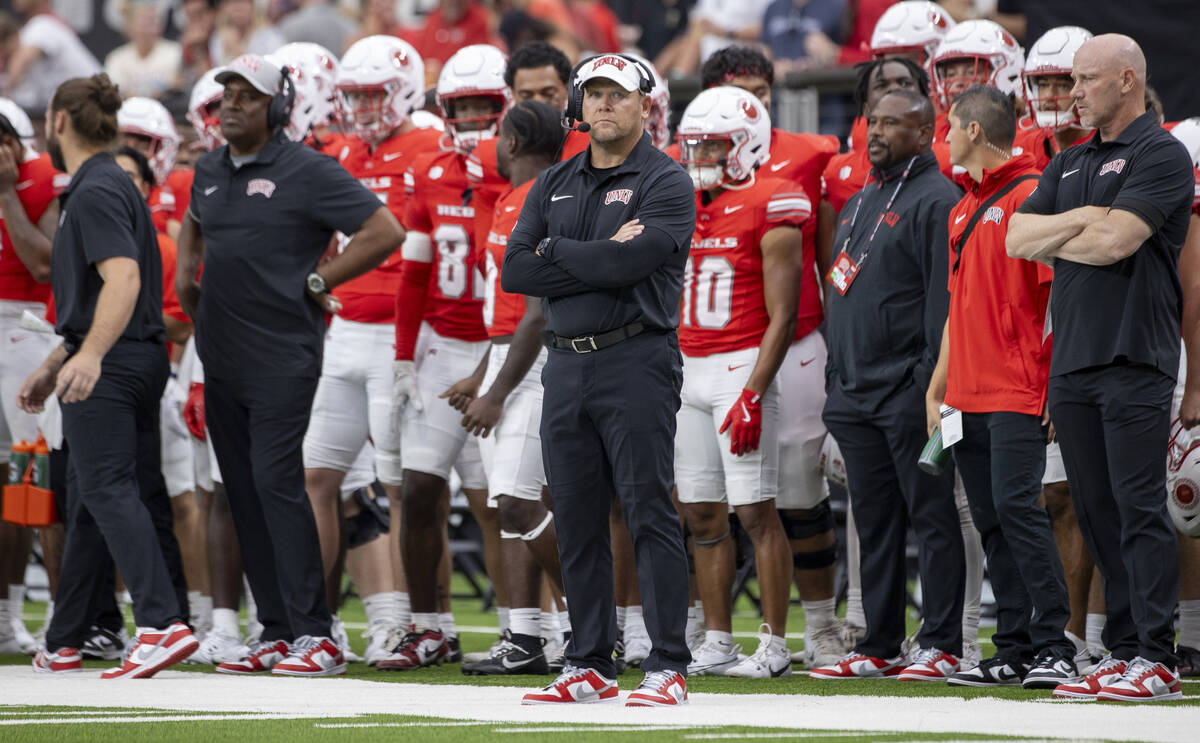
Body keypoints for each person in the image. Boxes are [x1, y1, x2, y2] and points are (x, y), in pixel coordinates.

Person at [176, 53, 403, 677]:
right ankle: (275, 630)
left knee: (278, 486)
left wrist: (320, 277)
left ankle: (317, 634)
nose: (231, 106)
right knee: (242, 493)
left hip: (282, 354)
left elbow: (384, 230)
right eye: (225, 96)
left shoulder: (307, 169)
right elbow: (194, 227)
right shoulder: (209, 170)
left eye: (246, 96)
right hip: (221, 355)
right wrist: (184, 279)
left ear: (278, 106)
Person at [503, 53, 696, 707]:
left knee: (648, 511)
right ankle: (587, 659)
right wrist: (593, 254)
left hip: (636, 358)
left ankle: (668, 660)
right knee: (577, 517)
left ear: (645, 103)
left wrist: (557, 252)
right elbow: (516, 271)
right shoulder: (555, 178)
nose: (604, 104)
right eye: (594, 94)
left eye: (618, 93)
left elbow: (635, 260)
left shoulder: (667, 180)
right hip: (564, 362)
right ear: (579, 107)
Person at [1006, 34, 1194, 703]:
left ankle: (1157, 654)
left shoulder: (1163, 153)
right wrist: (1088, 218)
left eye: (1084, 81)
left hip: (1134, 352)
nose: (1072, 92)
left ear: (1125, 80)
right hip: (1075, 358)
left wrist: (1073, 230)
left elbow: (1122, 241)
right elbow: (1016, 238)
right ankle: (1123, 647)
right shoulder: (1071, 159)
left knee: (1140, 506)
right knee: (1096, 509)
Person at [20, 73, 197, 679]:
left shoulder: (94, 190)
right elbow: (100, 291)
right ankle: (67, 634)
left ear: (60, 120)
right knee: (95, 498)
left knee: (106, 489)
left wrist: (88, 356)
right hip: (130, 358)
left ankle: (160, 622)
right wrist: (56, 362)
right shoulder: (105, 184)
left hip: (114, 361)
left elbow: (123, 280)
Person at [694, 44, 845, 669]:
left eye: (760, 86)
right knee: (710, 501)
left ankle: (820, 628)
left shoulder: (809, 154)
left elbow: (830, 256)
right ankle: (715, 630)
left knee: (798, 492)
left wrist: (839, 347)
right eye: (738, 87)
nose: (752, 96)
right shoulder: (694, 164)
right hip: (716, 346)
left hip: (796, 338)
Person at [924, 84, 1077, 689]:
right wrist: (938, 390)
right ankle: (1012, 646)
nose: (945, 139)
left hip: (1017, 390)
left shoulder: (1032, 195)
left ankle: (1053, 644)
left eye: (951, 128)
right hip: (966, 395)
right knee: (992, 519)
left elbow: (1057, 303)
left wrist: (1052, 390)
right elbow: (958, 312)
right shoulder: (963, 207)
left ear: (976, 134)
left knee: (1019, 509)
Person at [811, 88, 965, 682]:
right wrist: (835, 379)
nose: (876, 133)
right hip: (852, 394)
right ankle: (878, 641)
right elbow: (839, 289)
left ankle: (942, 641)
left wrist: (927, 386)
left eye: (892, 125)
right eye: (872, 122)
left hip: (910, 394)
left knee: (932, 515)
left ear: (926, 132)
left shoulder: (936, 199)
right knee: (873, 521)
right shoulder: (861, 198)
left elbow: (941, 305)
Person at [303, 35, 439, 665]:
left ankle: (413, 625)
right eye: (351, 94)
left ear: (405, 89)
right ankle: (318, 623)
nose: (359, 107)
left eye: (371, 93)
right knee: (316, 476)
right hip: (344, 330)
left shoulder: (433, 144)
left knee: (401, 484)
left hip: (400, 336)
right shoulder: (340, 151)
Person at [380, 44, 507, 673]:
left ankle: (526, 627)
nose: (475, 117)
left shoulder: (519, 172)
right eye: (463, 107)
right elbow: (413, 272)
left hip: (501, 346)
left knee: (502, 501)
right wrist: (404, 358)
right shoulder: (429, 170)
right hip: (441, 345)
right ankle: (429, 627)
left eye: (486, 106)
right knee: (421, 490)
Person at [673, 86, 807, 679]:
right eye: (695, 147)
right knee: (701, 514)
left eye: (715, 147)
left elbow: (785, 314)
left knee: (755, 512)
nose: (700, 159)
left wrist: (755, 389)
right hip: (686, 368)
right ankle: (718, 639)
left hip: (738, 366)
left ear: (748, 145)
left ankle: (775, 645)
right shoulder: (677, 200)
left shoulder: (773, 200)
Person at [455, 100, 566, 676]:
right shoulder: (507, 199)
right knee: (506, 508)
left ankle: (582, 624)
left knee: (522, 501)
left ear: (517, 142)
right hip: (506, 354)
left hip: (534, 362)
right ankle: (525, 639)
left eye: (500, 135)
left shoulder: (544, 198)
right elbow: (506, 311)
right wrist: (482, 373)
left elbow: (539, 313)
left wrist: (497, 392)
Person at [0, 102, 62, 656]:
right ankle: (5, 616)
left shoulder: (40, 179)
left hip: (26, 324)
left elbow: (43, 264)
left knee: (32, 477)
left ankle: (50, 618)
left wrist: (3, 195)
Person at [1, 0, 101, 112]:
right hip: (78, 110)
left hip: (98, 103)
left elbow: (19, 64)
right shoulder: (30, 32)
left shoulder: (42, 24)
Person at [103, 1, 183, 100]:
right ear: (129, 25)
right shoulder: (116, 58)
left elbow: (179, 84)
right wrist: (154, 92)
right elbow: (115, 94)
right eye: (144, 20)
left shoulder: (176, 52)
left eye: (154, 20)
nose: (150, 26)